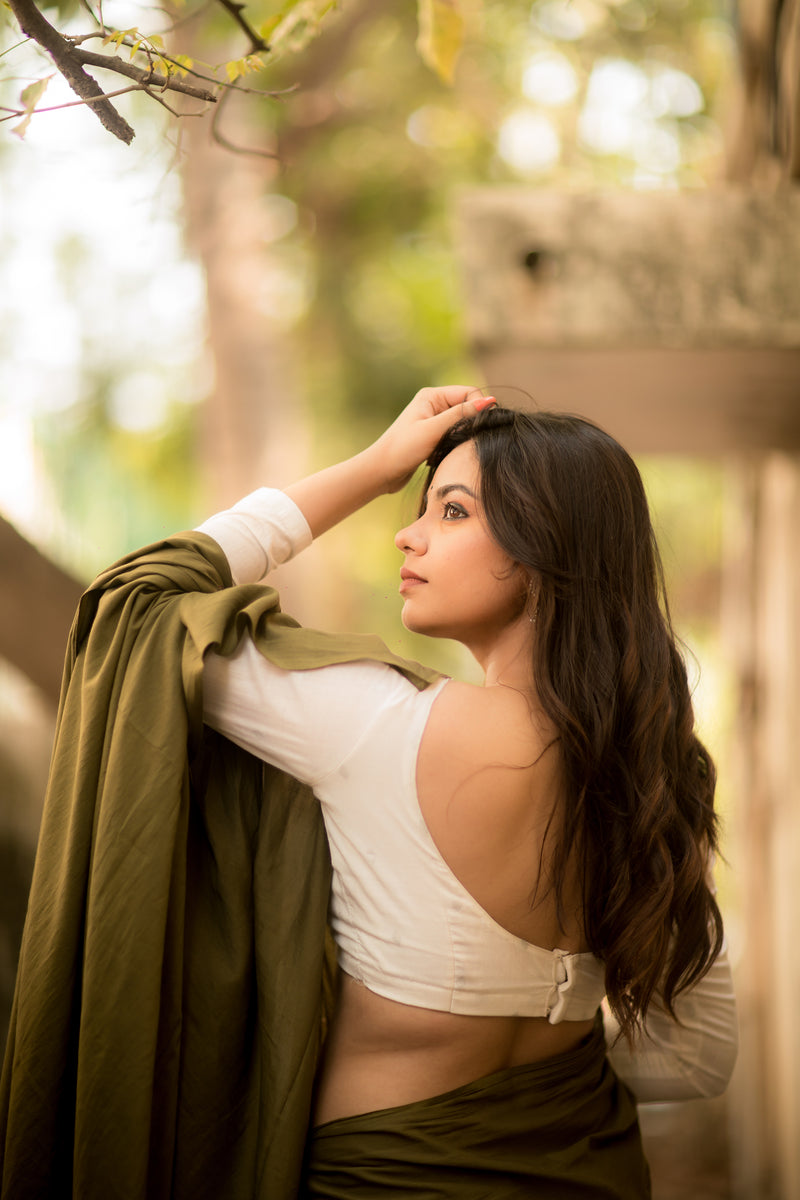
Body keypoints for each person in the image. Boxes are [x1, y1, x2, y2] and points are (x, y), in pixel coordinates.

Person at [194, 386, 738, 1197]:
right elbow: (695, 1059)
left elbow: (136, 607)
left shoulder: (378, 728)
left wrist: (374, 467)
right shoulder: (655, 764)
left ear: (540, 548)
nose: (406, 534)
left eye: (450, 512)